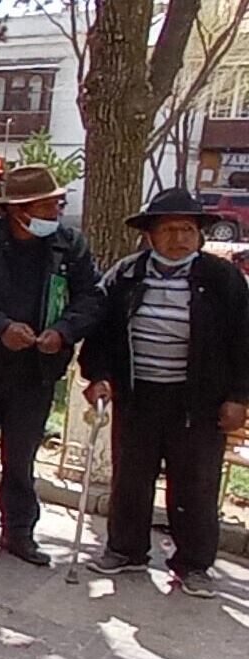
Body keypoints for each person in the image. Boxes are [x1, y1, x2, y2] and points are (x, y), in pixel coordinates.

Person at [80, 187, 249, 599]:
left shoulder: (221, 278)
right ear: (150, 235)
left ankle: (193, 564)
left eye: (188, 229)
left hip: (198, 399)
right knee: (131, 476)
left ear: (200, 235)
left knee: (195, 483)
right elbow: (102, 332)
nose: (180, 238)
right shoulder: (127, 275)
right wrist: (97, 375)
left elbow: (244, 339)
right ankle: (126, 549)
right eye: (170, 230)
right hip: (139, 394)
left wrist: (239, 397)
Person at [0, 164, 102, 564]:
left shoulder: (70, 245)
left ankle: (19, 531)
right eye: (47, 205)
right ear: (19, 209)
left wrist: (63, 331)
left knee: (22, 455)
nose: (55, 212)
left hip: (36, 370)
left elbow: (91, 298)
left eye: (56, 204)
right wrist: (0, 327)